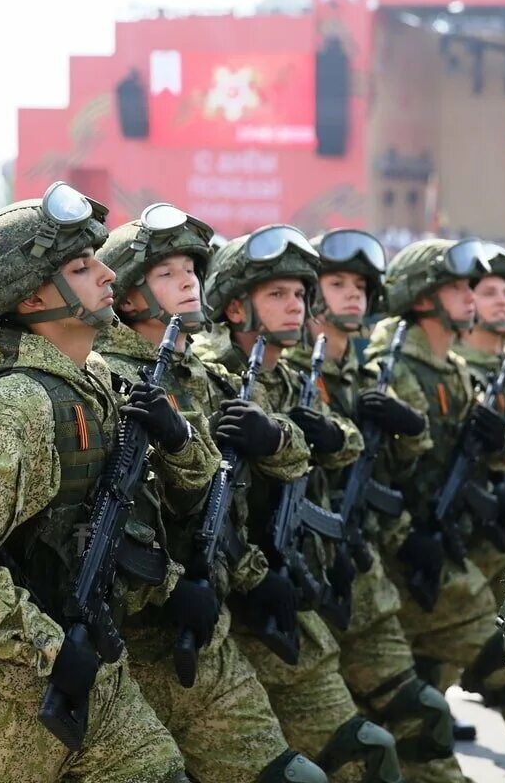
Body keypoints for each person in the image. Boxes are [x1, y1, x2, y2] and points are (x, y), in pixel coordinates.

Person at [0, 183, 189, 783]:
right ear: (31, 297)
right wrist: (50, 646)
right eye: (80, 265)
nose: (106, 274)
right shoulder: (19, 400)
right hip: (2, 698)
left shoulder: (94, 382)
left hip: (93, 667)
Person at [95, 206, 327, 783]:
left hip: (209, 627)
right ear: (126, 298)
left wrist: (251, 575)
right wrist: (173, 588)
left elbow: (247, 487)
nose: (188, 281)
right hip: (128, 639)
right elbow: (112, 513)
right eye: (166, 273)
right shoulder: (104, 379)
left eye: (190, 270)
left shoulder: (203, 376)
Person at [200, 225, 402, 783]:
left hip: (283, 587)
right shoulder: (211, 381)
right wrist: (253, 571)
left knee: (363, 751)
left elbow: (342, 441)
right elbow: (197, 497)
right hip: (226, 604)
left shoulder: (287, 379)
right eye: (277, 295)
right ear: (236, 308)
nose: (296, 306)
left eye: (298, 294)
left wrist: (329, 438)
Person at [295, 228, 467, 783]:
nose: (352, 295)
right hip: (302, 589)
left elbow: (397, 474)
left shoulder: (367, 377)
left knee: (418, 718)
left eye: (361, 286)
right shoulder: (292, 375)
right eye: (336, 283)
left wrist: (410, 429)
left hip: (366, 581)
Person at [365, 238, 505, 712]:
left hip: (442, 545)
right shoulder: (392, 368)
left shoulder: (452, 369)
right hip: (404, 553)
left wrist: (501, 438)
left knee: (417, 705)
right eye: (457, 288)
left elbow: (492, 452)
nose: (470, 297)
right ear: (422, 298)